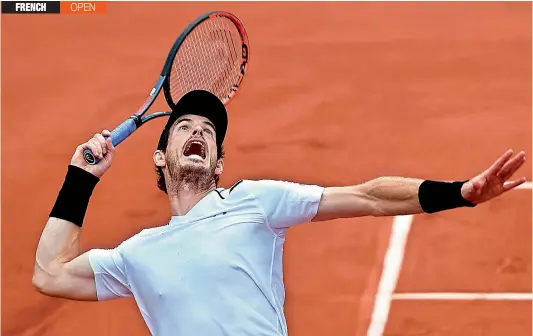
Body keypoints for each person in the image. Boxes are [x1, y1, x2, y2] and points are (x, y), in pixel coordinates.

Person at [33, 90, 527, 336]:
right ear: (161, 156)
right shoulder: (137, 255)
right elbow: (50, 274)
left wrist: (459, 192)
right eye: (184, 127)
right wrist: (82, 177)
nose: (199, 134)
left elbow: (369, 196)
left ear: (219, 163)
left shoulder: (254, 202)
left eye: (209, 130)